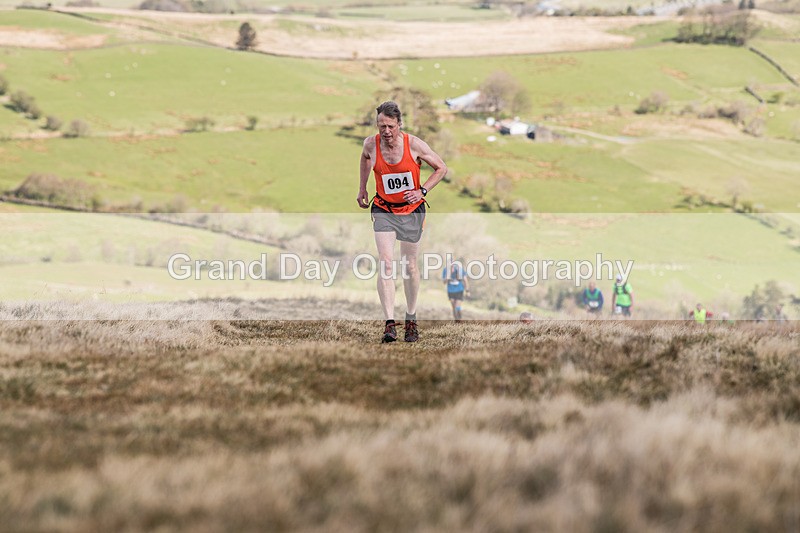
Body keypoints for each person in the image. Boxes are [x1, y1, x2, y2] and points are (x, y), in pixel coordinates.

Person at [357, 101, 447, 343]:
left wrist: (423, 191)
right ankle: (389, 323)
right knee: (386, 263)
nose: (385, 131)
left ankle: (411, 317)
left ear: (399, 124)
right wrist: (362, 188)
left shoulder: (414, 144)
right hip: (384, 208)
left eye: (390, 126)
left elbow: (441, 168)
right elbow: (365, 158)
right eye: (381, 126)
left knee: (409, 266)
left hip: (411, 212)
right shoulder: (370, 144)